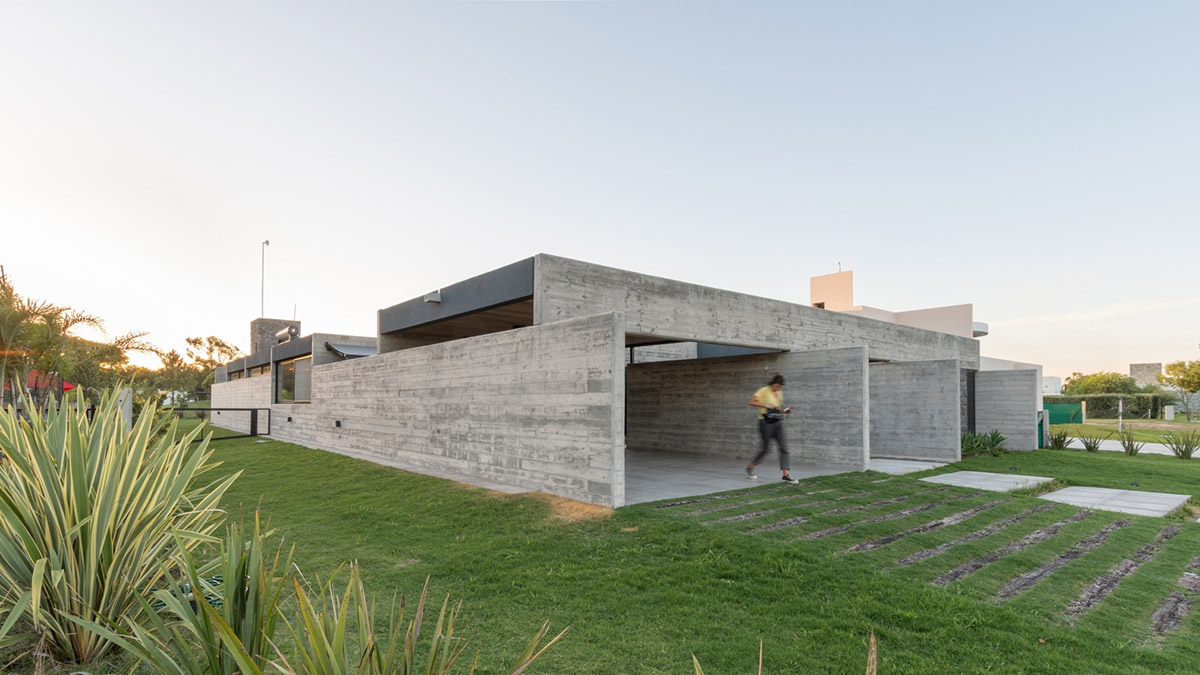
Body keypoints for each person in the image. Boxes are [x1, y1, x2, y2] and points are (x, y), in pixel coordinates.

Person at [746, 373, 797, 484]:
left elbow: (777, 409)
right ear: (772, 384)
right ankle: (750, 467)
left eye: (780, 387)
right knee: (765, 450)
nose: (778, 389)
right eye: (777, 386)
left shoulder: (779, 393)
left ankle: (786, 475)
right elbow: (751, 402)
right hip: (765, 423)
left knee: (784, 448)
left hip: (777, 422)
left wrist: (785, 411)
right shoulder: (764, 390)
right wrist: (765, 405)